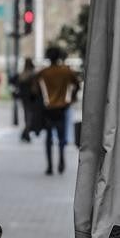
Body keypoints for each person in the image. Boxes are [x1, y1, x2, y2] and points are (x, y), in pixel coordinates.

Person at [37, 47, 81, 175]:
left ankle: (50, 165)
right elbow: (77, 84)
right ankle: (61, 159)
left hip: (48, 106)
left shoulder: (44, 72)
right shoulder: (66, 71)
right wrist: (72, 97)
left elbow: (35, 87)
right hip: (62, 106)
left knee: (49, 137)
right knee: (62, 137)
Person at [17, 58, 41, 142]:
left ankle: (25, 133)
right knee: (30, 117)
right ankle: (26, 133)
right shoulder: (33, 74)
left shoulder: (22, 74)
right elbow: (35, 87)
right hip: (32, 98)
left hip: (24, 98)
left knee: (27, 116)